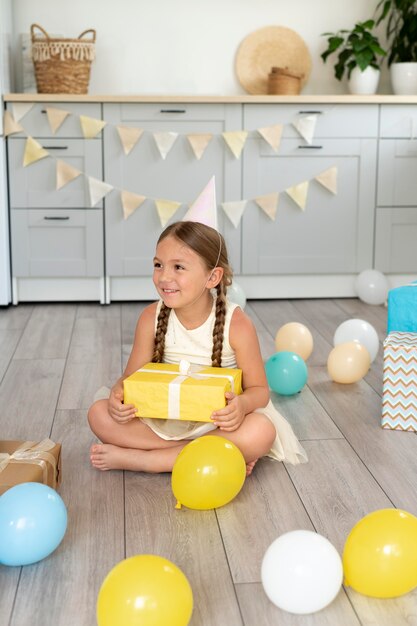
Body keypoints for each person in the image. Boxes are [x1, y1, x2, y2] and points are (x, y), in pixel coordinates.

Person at [88, 221, 307, 474]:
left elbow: (259, 391)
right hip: (164, 417)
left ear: (212, 277)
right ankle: (210, 453)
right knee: (98, 413)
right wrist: (118, 397)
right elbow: (129, 378)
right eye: (158, 265)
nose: (164, 277)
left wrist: (242, 406)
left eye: (178, 267)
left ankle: (148, 460)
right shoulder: (151, 317)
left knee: (261, 431)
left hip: (216, 425)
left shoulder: (236, 324)